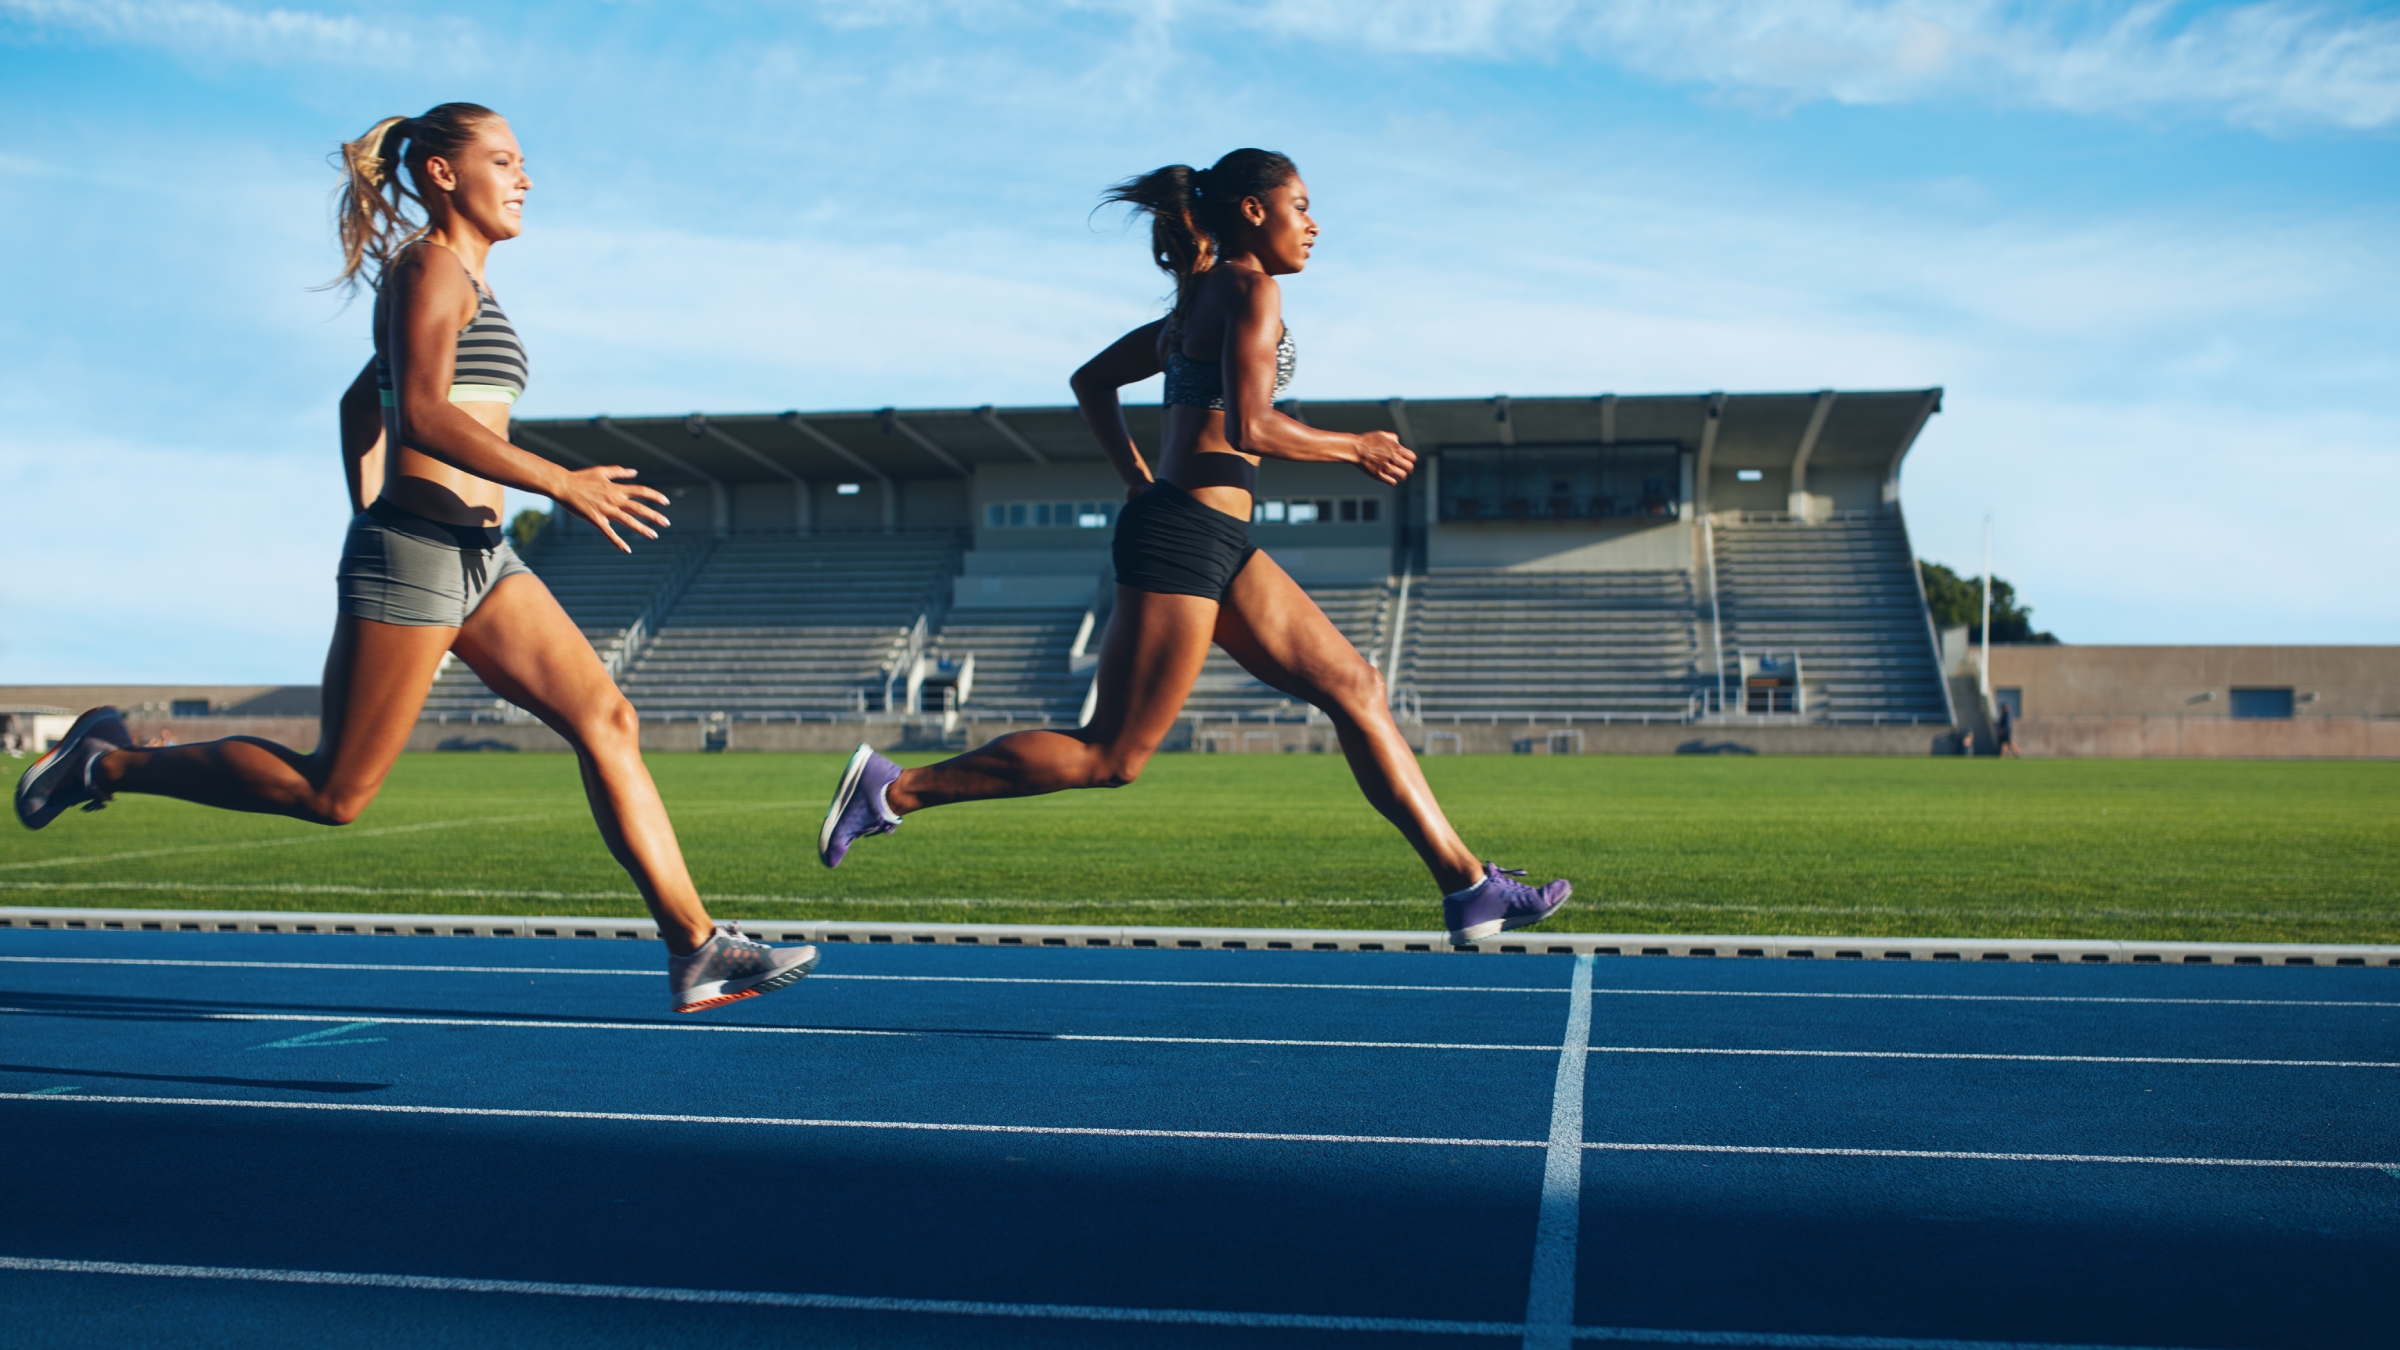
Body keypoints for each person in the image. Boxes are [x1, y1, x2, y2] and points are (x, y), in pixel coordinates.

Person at [13, 103, 815, 1013]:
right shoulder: (430, 266)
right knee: (335, 792)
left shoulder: (466, 283)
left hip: (481, 559)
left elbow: (365, 405)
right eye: (504, 160)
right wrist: (549, 486)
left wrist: (377, 506)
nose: (526, 178)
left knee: (608, 719)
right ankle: (107, 764)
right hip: (420, 557)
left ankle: (697, 947)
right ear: (443, 173)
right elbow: (422, 414)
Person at [817, 149, 1569, 945]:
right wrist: (1354, 446)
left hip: (1211, 535)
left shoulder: (1198, 300)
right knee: (1111, 755)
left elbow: (1091, 381)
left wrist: (1139, 477)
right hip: (1184, 538)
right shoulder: (1248, 289)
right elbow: (1250, 425)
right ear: (1253, 210)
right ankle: (893, 791)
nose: (1314, 226)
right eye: (1301, 206)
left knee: (1356, 686)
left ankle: (1467, 886)